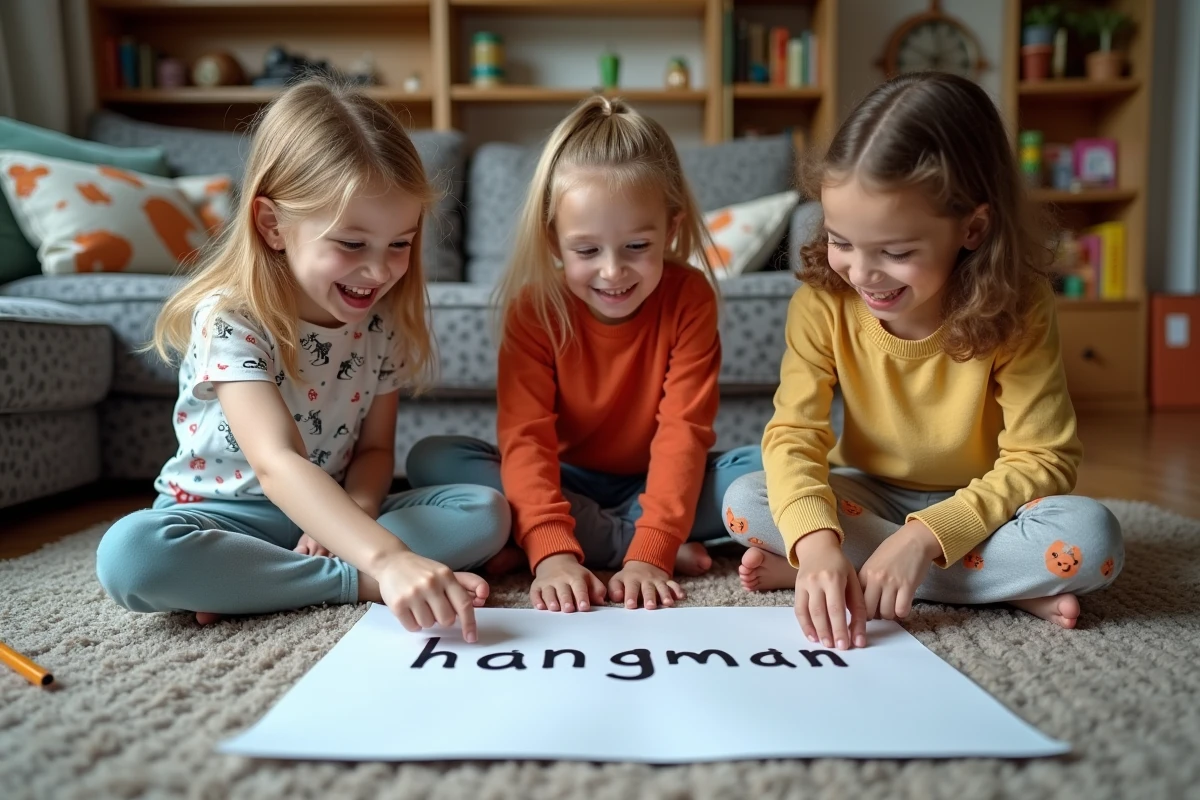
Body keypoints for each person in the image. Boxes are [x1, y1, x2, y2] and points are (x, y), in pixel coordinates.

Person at [96, 79, 510, 641]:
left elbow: (374, 451)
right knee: (132, 554)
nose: (380, 271)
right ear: (273, 226)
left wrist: (356, 518)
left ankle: (257, 585)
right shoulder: (232, 317)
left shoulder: (380, 321)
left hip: (338, 508)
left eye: (400, 243)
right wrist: (384, 561)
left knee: (484, 510)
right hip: (226, 517)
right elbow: (276, 463)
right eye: (351, 243)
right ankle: (352, 582)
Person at [722, 72, 1123, 650]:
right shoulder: (821, 303)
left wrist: (922, 541)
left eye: (897, 252)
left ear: (972, 228)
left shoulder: (1021, 305)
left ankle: (879, 574)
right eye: (841, 241)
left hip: (990, 508)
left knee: (1092, 538)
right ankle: (997, 587)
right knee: (746, 502)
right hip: (871, 493)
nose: (862, 273)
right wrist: (815, 547)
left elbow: (1045, 456)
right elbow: (793, 436)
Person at [407, 96, 762, 613]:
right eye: (587, 250)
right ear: (554, 241)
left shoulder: (690, 297)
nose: (613, 272)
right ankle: (581, 538)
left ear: (673, 229)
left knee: (764, 471)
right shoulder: (534, 308)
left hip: (654, 481)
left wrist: (653, 550)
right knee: (433, 459)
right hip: (564, 481)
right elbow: (526, 437)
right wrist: (553, 552)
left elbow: (683, 431)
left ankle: (536, 538)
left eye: (637, 247)